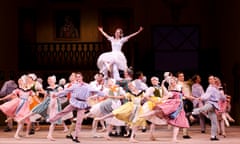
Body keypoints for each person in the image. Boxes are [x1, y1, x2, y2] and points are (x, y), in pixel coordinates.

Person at [190, 75, 226, 141]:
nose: (211, 80)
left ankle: (213, 136)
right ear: (209, 81)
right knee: (203, 109)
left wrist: (223, 95)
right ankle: (192, 113)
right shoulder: (210, 88)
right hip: (210, 103)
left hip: (214, 106)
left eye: (213, 79)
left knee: (214, 121)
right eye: (210, 79)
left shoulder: (217, 88)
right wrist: (201, 98)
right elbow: (206, 95)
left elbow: (222, 97)